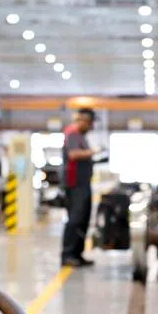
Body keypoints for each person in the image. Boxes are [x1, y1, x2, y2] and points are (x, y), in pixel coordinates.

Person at [61, 107, 102, 267]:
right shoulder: (72, 133)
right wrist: (93, 151)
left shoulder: (81, 136)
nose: (92, 126)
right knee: (75, 219)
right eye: (90, 123)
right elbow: (73, 154)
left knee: (83, 220)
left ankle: (77, 254)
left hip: (84, 183)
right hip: (75, 184)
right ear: (84, 121)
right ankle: (68, 255)